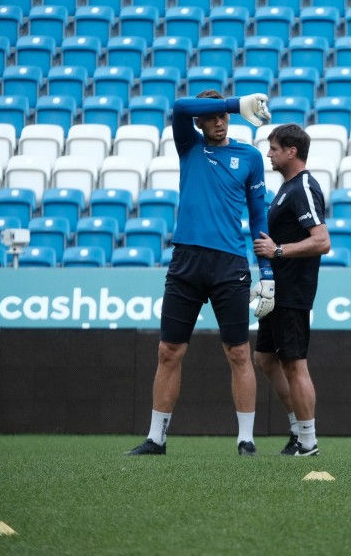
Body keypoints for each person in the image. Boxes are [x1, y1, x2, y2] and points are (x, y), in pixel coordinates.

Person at [126, 90, 272, 457]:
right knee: (168, 351)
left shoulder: (250, 157)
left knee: (239, 352)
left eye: (225, 116)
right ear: (201, 121)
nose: (220, 121)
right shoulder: (188, 144)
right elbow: (179, 107)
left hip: (230, 265)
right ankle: (156, 439)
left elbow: (258, 218)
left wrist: (267, 272)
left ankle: (246, 440)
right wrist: (234, 103)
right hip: (186, 262)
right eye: (213, 115)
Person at [251, 124, 330, 457]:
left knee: (295, 363)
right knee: (266, 359)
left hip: (293, 291)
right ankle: (298, 430)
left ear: (291, 151)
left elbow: (322, 241)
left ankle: (308, 442)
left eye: (273, 148)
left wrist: (278, 251)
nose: (269, 153)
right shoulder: (286, 189)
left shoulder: (304, 187)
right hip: (276, 291)